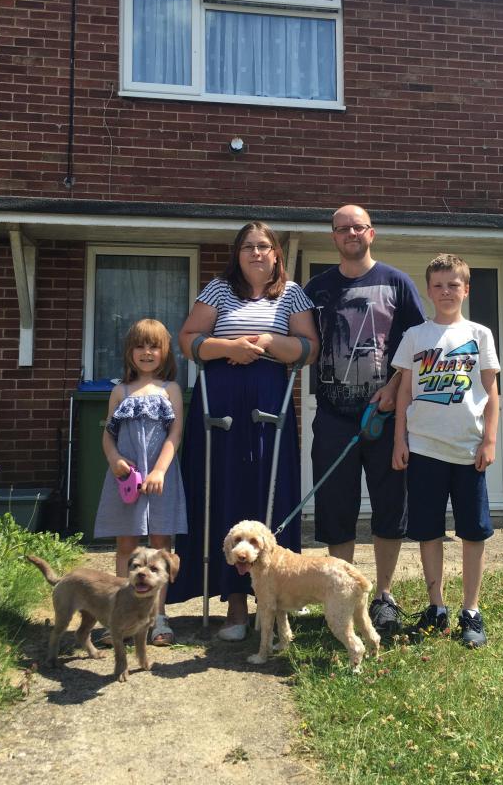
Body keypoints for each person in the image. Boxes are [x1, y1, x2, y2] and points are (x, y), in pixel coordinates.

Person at [169, 221, 319, 640]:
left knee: (269, 491)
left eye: (264, 246)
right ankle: (235, 604)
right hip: (221, 401)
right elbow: (189, 340)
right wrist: (230, 348)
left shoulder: (292, 294)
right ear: (238, 254)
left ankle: (278, 599)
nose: (256, 253)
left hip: (269, 399)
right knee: (225, 491)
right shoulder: (218, 290)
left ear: (276, 254)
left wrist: (270, 341)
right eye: (248, 247)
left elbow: (308, 348)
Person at [304, 204, 425, 637]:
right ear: (333, 237)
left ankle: (384, 597)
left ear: (371, 233)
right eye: (342, 228)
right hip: (334, 418)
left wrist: (394, 389)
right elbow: (302, 342)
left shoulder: (397, 282)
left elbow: (417, 348)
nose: (351, 233)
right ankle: (342, 594)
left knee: (390, 507)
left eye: (358, 226)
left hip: (386, 418)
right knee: (337, 511)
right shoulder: (315, 288)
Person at [392, 253, 500, 647]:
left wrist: (489, 440)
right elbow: (404, 392)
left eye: (453, 284)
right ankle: (436, 608)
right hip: (423, 449)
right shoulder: (416, 337)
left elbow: (491, 393)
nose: (445, 291)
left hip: (468, 451)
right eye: (438, 285)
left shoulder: (480, 335)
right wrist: (399, 439)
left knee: (473, 532)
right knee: (428, 531)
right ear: (428, 291)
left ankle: (470, 611)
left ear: (466, 289)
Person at [94, 318, 187, 646]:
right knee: (126, 546)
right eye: (140, 345)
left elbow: (175, 434)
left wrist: (160, 470)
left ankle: (157, 616)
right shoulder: (120, 391)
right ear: (129, 351)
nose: (147, 352)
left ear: (165, 352)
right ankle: (123, 615)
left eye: (154, 346)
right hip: (127, 481)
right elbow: (109, 436)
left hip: (160, 478)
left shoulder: (170, 390)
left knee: (161, 545)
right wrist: (115, 460)